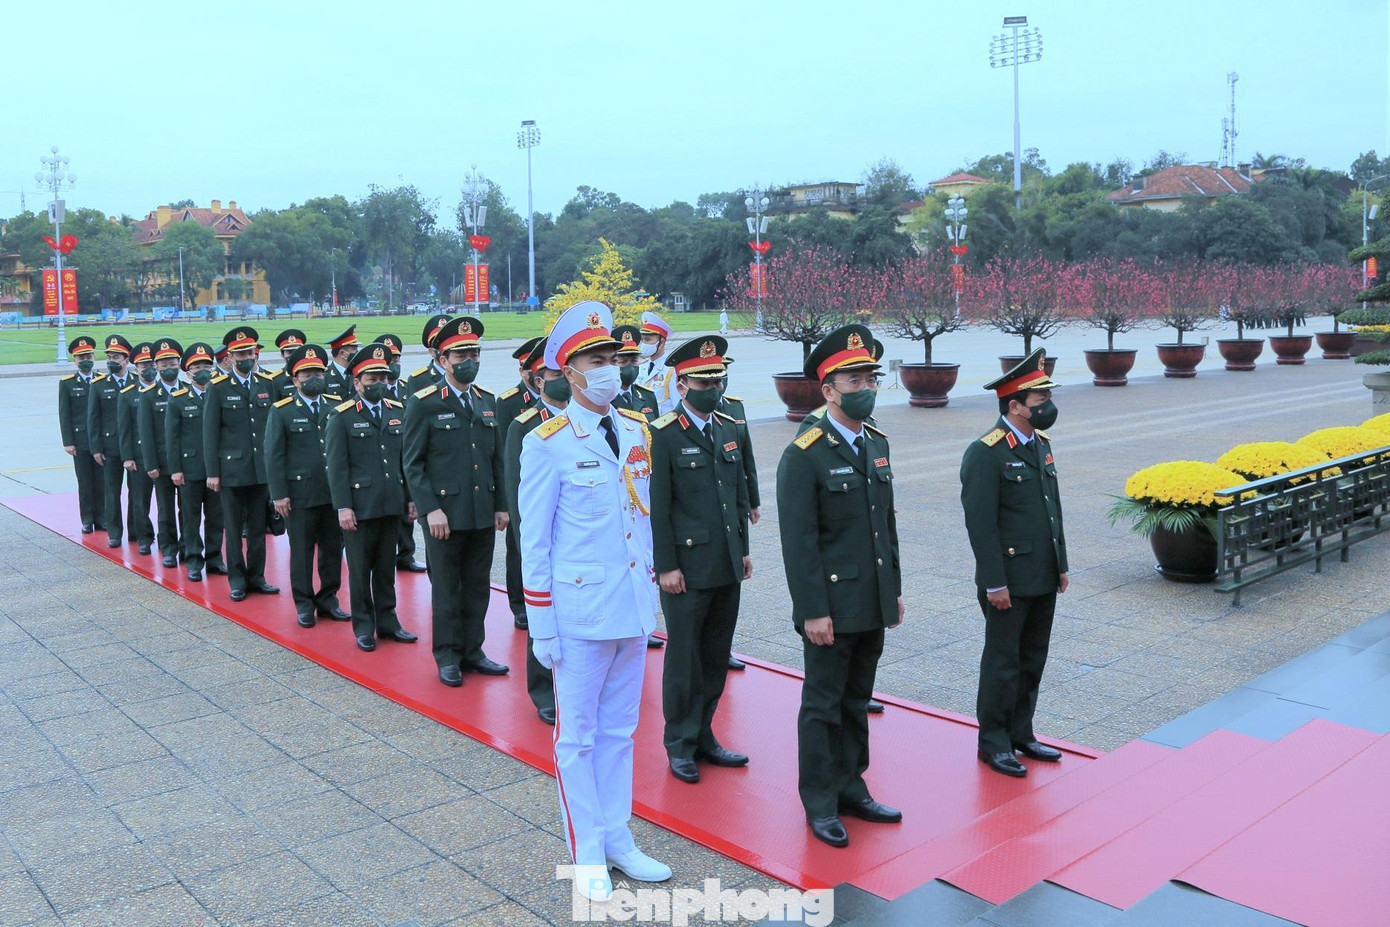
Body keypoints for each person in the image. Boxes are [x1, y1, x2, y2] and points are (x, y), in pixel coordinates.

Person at [518, 300, 670, 902]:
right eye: (596, 360)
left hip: (631, 605)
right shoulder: (547, 443)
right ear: (569, 371)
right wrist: (541, 625)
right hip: (579, 615)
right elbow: (535, 541)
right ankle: (586, 852)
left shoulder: (635, 429)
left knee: (621, 731)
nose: (610, 368)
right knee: (577, 738)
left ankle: (617, 838)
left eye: (613, 357)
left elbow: (641, 522)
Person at [776, 323, 904, 849]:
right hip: (830, 603)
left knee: (857, 699)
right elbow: (799, 541)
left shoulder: (876, 442)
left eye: (870, 378)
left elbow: (884, 525)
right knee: (823, 704)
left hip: (870, 597)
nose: (865, 387)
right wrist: (812, 610)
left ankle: (853, 786)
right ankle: (820, 801)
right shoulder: (804, 453)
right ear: (828, 390)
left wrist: (892, 590)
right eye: (854, 380)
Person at [960, 348, 1069, 779]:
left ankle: (1022, 732)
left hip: (1042, 572)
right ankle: (994, 743)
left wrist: (1060, 564)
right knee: (1003, 663)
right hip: (1007, 579)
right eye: (1040, 400)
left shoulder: (1040, 445)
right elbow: (980, 524)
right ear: (1015, 406)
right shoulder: (985, 452)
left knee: (1032, 658)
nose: (1048, 406)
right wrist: (993, 582)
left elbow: (1051, 509)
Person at [649, 336, 752, 784]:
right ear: (682, 384)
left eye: (717, 380)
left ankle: (705, 733)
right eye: (703, 382)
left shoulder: (729, 427)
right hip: (686, 569)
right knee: (685, 659)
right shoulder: (663, 434)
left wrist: (742, 551)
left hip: (725, 563)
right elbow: (657, 506)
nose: (712, 388)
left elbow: (736, 495)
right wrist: (666, 566)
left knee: (715, 655)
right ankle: (679, 743)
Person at [405, 316, 509, 685]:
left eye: (474, 354)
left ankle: (473, 650)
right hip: (444, 515)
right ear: (442, 359)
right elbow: (413, 464)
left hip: (481, 512)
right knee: (448, 589)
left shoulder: (486, 401)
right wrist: (430, 509)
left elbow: (497, 459)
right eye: (460, 355)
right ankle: (448, 655)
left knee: (478, 586)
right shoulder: (424, 403)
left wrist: (501, 505)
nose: (469, 361)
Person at [325, 343, 419, 651]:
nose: (379, 383)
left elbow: (405, 461)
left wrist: (410, 498)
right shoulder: (342, 416)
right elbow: (337, 467)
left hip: (391, 503)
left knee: (386, 568)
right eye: (371, 379)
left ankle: (388, 622)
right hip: (359, 507)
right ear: (357, 382)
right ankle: (364, 626)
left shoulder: (396, 411)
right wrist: (343, 507)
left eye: (383, 378)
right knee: (360, 570)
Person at [504, 337, 568, 725]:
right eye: (553, 375)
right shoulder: (524, 426)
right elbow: (517, 492)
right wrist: (527, 541)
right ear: (539, 381)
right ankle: (544, 690)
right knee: (541, 615)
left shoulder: (588, 418)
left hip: (577, 536)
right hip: (543, 536)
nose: (562, 381)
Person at [266, 344, 347, 628]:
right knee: (301, 552)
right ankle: (303, 603)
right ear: (295, 378)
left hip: (332, 493)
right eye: (307, 374)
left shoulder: (336, 405)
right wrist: (279, 494)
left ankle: (329, 600)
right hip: (299, 495)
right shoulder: (282, 411)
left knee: (332, 549)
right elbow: (274, 456)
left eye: (318, 373)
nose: (314, 378)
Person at [204, 327, 281, 602]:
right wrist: (213, 472)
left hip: (260, 470)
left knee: (258, 528)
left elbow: (274, 428)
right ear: (230, 357)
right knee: (234, 529)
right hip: (232, 471)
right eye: (240, 354)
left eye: (250, 353)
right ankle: (237, 580)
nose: (247, 358)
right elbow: (210, 433)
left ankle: (257, 577)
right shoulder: (218, 387)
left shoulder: (267, 383)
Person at [495, 335, 546, 628]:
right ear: (523, 371)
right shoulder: (508, 402)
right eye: (530, 369)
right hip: (520, 485)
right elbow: (503, 454)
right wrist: (505, 502)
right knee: (517, 549)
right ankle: (519, 604)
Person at [166, 342, 227, 582]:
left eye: (206, 366)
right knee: (190, 518)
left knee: (216, 516)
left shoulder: (219, 394)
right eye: (197, 367)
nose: (203, 371)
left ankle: (214, 558)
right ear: (188, 372)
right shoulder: (178, 399)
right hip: (190, 469)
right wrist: (175, 469)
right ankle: (193, 559)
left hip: (217, 468)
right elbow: (172, 438)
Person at [374, 333, 426, 574]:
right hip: (381, 455)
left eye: (396, 359)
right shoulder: (374, 388)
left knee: (408, 508)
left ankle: (406, 554)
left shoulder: (407, 388)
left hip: (405, 454)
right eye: (389, 360)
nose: (394, 364)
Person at [137, 338, 185, 567]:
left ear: (179, 364)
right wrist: (151, 464)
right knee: (165, 509)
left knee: (188, 509)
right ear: (156, 366)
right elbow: (146, 433)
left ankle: (188, 547)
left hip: (187, 461)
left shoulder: (188, 391)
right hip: (162, 462)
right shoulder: (148, 395)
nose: (168, 368)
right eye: (163, 364)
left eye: (172, 363)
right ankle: (168, 548)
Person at [87, 334, 136, 548]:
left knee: (137, 493)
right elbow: (93, 418)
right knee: (112, 491)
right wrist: (96, 448)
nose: (111, 361)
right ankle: (114, 532)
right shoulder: (99, 385)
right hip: (110, 447)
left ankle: (136, 531)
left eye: (116, 357)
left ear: (126, 360)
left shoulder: (137, 383)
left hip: (134, 446)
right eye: (109, 357)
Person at [58, 336, 104, 533]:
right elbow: (64, 414)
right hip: (81, 440)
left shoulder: (103, 380)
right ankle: (87, 519)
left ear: (94, 357)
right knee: (85, 481)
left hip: (101, 440)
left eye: (88, 356)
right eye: (81, 357)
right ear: (75, 360)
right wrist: (68, 442)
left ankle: (102, 518)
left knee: (102, 481)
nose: (85, 360)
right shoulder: (67, 383)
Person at [119, 342, 158, 556]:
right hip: (139, 455)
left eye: (152, 364)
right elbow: (124, 429)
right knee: (140, 500)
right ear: (136, 368)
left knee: (166, 501)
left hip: (164, 455)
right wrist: (127, 457)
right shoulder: (127, 394)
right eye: (144, 365)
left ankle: (168, 537)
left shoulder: (169, 390)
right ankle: (144, 537)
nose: (149, 369)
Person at [610, 325, 660, 421]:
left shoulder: (647, 396)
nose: (631, 368)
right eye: (623, 362)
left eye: (633, 362)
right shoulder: (604, 399)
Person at [636, 311, 678, 415]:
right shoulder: (641, 366)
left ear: (662, 342)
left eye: (648, 340)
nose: (644, 344)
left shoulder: (671, 370)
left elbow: (678, 406)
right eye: (642, 340)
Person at [404, 313, 453, 393]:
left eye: (448, 343)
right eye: (439, 344)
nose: (445, 348)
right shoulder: (417, 380)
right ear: (431, 351)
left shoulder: (461, 373)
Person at [325, 326, 360, 399]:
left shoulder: (358, 374)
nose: (357, 353)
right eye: (354, 350)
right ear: (342, 354)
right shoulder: (325, 376)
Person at [271, 329, 307, 398]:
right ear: (282, 355)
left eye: (296, 351)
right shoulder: (276, 380)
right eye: (290, 352)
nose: (294, 355)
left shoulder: (314, 374)